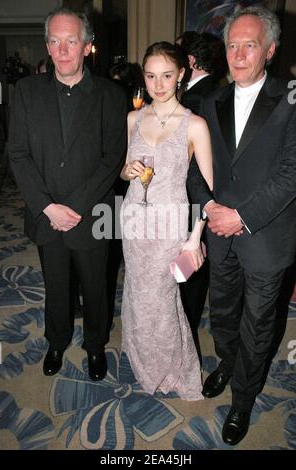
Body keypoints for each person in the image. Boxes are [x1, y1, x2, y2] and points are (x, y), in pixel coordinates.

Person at [187, 6, 296, 444]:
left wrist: (242, 216)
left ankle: (243, 400)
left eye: (249, 45)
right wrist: (209, 205)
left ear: (269, 50)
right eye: (232, 45)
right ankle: (227, 364)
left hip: (265, 235)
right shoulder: (210, 99)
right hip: (219, 232)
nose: (238, 54)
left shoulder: (291, 98)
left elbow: (291, 172)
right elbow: (195, 163)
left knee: (258, 325)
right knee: (225, 315)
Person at [8, 8, 127, 381]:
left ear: (87, 47)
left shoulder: (111, 94)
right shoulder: (26, 92)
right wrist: (47, 207)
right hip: (46, 214)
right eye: (55, 41)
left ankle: (95, 346)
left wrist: (72, 207)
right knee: (55, 284)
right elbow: (18, 154)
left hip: (91, 214)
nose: (62, 49)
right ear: (47, 45)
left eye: (71, 41)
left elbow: (112, 158)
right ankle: (56, 341)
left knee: (95, 287)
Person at [120, 42, 213, 399]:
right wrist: (127, 172)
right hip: (133, 221)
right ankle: (144, 362)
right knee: (138, 294)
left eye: (167, 76)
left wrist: (195, 236)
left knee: (161, 298)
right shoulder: (132, 118)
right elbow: (125, 172)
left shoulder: (195, 125)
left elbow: (209, 189)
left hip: (170, 225)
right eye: (151, 76)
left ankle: (172, 369)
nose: (159, 85)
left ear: (181, 76)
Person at [177, 32, 220, 348]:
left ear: (190, 61)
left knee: (188, 268)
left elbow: (194, 164)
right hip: (199, 197)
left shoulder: (198, 100)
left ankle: (184, 331)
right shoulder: (214, 91)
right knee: (193, 268)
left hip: (192, 196)